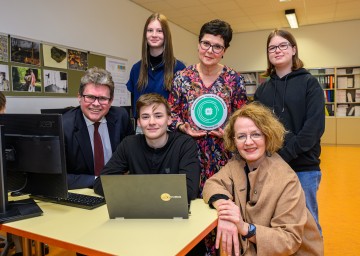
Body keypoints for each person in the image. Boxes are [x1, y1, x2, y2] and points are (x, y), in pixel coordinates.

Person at [203, 102, 324, 256]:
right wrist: (226, 209)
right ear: (234, 141)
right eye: (241, 136)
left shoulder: (286, 179)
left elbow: (289, 240)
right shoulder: (236, 164)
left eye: (256, 134)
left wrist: (244, 227)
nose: (248, 142)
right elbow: (212, 184)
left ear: (267, 135)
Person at [254, 29, 325, 233]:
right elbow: (257, 127)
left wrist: (283, 155)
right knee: (275, 225)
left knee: (307, 225)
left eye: (283, 45)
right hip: (270, 168)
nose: (278, 50)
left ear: (293, 49)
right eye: (272, 47)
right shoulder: (262, 91)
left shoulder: (309, 84)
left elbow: (313, 129)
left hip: (304, 168)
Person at [169, 19, 247, 196]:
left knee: (223, 204)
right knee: (190, 205)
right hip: (188, 154)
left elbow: (243, 116)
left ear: (224, 51)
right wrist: (182, 126)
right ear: (198, 44)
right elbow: (171, 113)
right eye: (205, 43)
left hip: (224, 156)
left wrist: (229, 130)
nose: (209, 51)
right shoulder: (182, 78)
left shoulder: (234, 79)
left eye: (217, 46)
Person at [93, 93, 200, 201]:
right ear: (139, 122)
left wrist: (131, 186)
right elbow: (100, 183)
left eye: (158, 116)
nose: (152, 122)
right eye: (145, 117)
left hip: (173, 212)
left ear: (169, 120)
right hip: (136, 211)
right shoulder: (129, 144)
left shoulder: (185, 144)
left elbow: (189, 191)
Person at [63, 67, 134, 189]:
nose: (96, 104)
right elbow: (57, 177)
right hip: (82, 191)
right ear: (79, 97)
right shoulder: (64, 126)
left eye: (102, 98)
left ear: (110, 101)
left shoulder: (121, 117)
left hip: (118, 190)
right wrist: (99, 181)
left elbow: (132, 156)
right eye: (90, 97)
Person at [126, 13, 186, 124]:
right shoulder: (136, 69)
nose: (154, 35)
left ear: (166, 35)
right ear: (145, 34)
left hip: (169, 131)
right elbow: (135, 108)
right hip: (143, 130)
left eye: (159, 31)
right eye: (150, 30)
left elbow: (182, 108)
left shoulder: (179, 68)